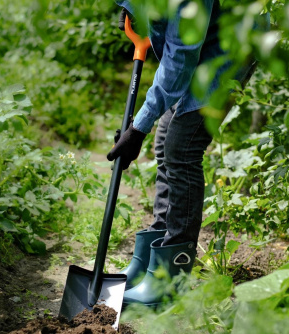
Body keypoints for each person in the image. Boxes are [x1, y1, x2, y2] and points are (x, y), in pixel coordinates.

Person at [107, 0, 269, 308]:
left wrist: (138, 127)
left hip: (230, 46)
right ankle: (149, 260)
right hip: (207, 35)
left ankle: (172, 277)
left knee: (181, 147)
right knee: (166, 137)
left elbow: (181, 58)